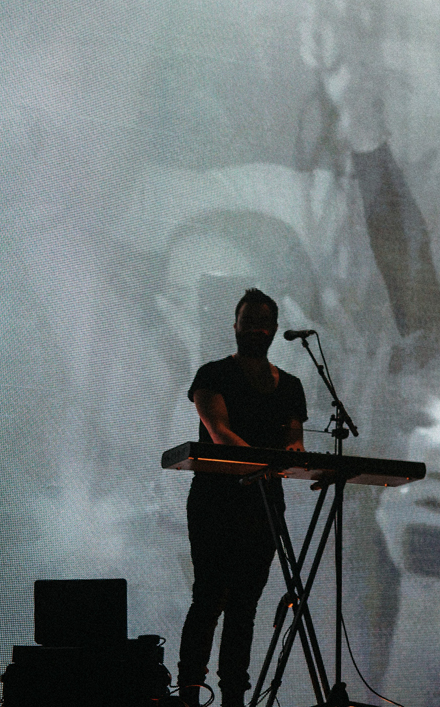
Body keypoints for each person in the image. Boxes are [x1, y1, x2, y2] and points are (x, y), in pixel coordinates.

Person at [176, 288, 308, 707]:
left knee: (246, 605)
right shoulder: (212, 375)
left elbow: (295, 442)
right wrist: (266, 462)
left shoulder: (291, 386)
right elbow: (219, 433)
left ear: (272, 328)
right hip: (216, 502)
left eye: (262, 320)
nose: (254, 327)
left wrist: (291, 456)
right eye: (247, 319)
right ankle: (191, 693)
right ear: (235, 324)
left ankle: (234, 694)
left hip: (263, 505)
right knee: (209, 598)